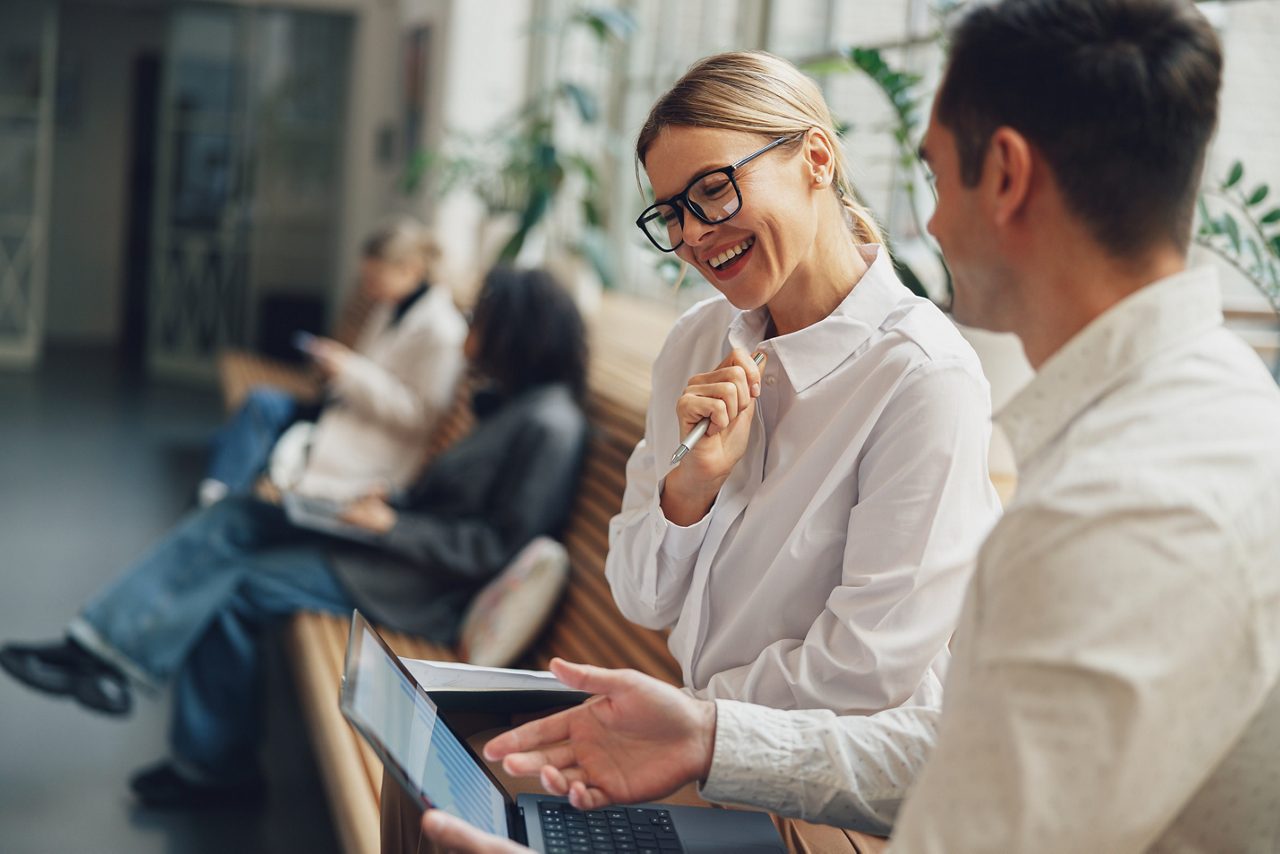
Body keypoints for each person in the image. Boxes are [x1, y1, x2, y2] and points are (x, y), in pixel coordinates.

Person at [418, 0, 1280, 851]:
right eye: (673, 212)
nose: (929, 224)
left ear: (1008, 176)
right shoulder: (1178, 423)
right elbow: (971, 760)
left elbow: (974, 810)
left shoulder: (1126, 493)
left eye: (938, 179)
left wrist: (712, 733)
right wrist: (710, 739)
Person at [0, 267, 590, 809]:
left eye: (482, 317)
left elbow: (495, 547)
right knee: (236, 518)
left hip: (418, 585)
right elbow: (460, 500)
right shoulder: (519, 405)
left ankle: (212, 765)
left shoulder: (550, 425)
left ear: (515, 330)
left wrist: (393, 524)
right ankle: (97, 649)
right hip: (394, 547)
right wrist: (389, 504)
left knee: (239, 588)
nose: (470, 327)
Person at [606, 50, 1001, 717]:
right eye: (673, 212)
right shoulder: (696, 343)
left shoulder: (922, 377)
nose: (695, 235)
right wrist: (690, 489)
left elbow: (864, 668)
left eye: (713, 189)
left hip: (827, 798)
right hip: (706, 748)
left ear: (817, 159)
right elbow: (641, 596)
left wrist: (691, 721)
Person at [199, 217, 467, 506]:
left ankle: (215, 500)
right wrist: (337, 365)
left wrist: (349, 371)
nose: (367, 288)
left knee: (251, 420)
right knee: (257, 409)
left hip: (373, 443)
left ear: (410, 270)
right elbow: (368, 369)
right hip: (344, 411)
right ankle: (216, 496)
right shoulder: (392, 308)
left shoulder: (442, 332)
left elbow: (421, 417)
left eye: (374, 278)